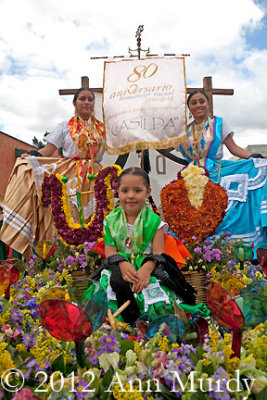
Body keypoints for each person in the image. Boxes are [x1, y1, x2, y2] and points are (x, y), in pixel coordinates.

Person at [82, 167, 197, 325]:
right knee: (107, 291)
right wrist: (121, 264)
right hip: (118, 267)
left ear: (148, 192)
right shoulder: (110, 221)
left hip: (147, 267)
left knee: (155, 297)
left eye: (137, 190)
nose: (130, 196)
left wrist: (146, 270)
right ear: (118, 192)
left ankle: (151, 327)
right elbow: (110, 251)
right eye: (125, 190)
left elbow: (158, 254)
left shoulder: (155, 222)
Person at [0, 88, 105, 260]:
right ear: (74, 103)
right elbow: (48, 150)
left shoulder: (102, 128)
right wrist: (33, 156)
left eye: (90, 99)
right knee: (68, 213)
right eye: (82, 99)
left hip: (94, 174)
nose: (87, 102)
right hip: (70, 174)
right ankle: (68, 259)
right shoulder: (65, 126)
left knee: (97, 214)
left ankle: (94, 257)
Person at [175, 90, 267, 252]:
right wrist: (145, 144)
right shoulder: (182, 132)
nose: (198, 105)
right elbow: (164, 145)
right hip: (191, 176)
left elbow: (233, 148)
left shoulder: (219, 123)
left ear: (208, 103)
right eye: (194, 102)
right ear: (188, 107)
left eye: (202, 101)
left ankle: (230, 251)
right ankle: (199, 256)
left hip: (218, 172)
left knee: (228, 210)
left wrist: (253, 156)